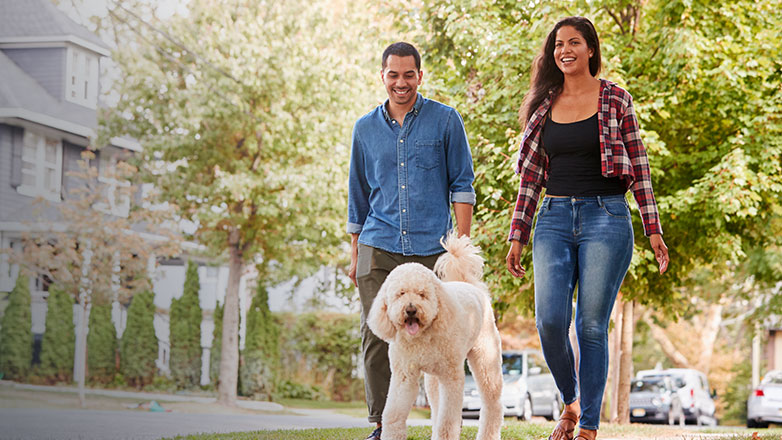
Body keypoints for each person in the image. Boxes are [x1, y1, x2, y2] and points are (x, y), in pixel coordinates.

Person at [505, 17, 670, 440]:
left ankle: (589, 426)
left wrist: (653, 228)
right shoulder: (544, 106)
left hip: (606, 216)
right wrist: (517, 236)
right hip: (554, 218)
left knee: (591, 325)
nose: (565, 50)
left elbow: (640, 166)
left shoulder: (616, 99)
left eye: (574, 42)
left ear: (590, 49)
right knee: (549, 320)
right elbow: (530, 180)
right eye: (559, 44)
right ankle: (571, 401)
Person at [346, 41, 476, 440]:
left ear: (420, 76)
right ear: (382, 76)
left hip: (432, 251)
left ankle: (443, 425)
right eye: (392, 74)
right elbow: (358, 196)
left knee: (442, 338)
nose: (400, 82)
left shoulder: (446, 120)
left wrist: (462, 251)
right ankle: (384, 426)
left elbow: (462, 186)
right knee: (376, 335)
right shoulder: (365, 129)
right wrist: (354, 255)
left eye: (408, 74)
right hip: (378, 244)